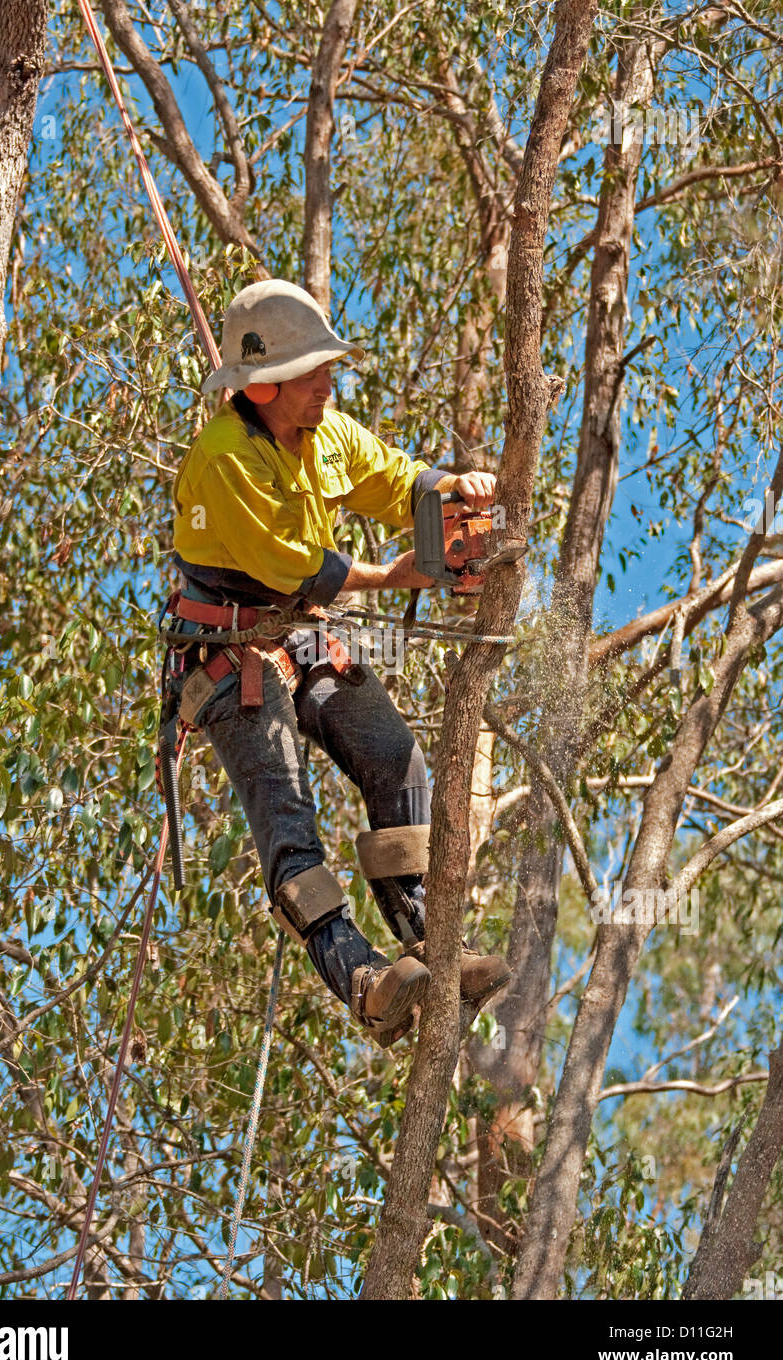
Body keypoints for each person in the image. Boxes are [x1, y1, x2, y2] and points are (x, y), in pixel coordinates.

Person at [170, 278, 509, 1046]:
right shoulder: (224, 459)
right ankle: (365, 985)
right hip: (229, 652)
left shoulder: (323, 429)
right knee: (290, 829)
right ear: (262, 387)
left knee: (396, 757)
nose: (330, 382)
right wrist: (391, 577)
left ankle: (431, 942)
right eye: (313, 372)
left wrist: (449, 487)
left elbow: (391, 477)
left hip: (301, 632)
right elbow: (296, 567)